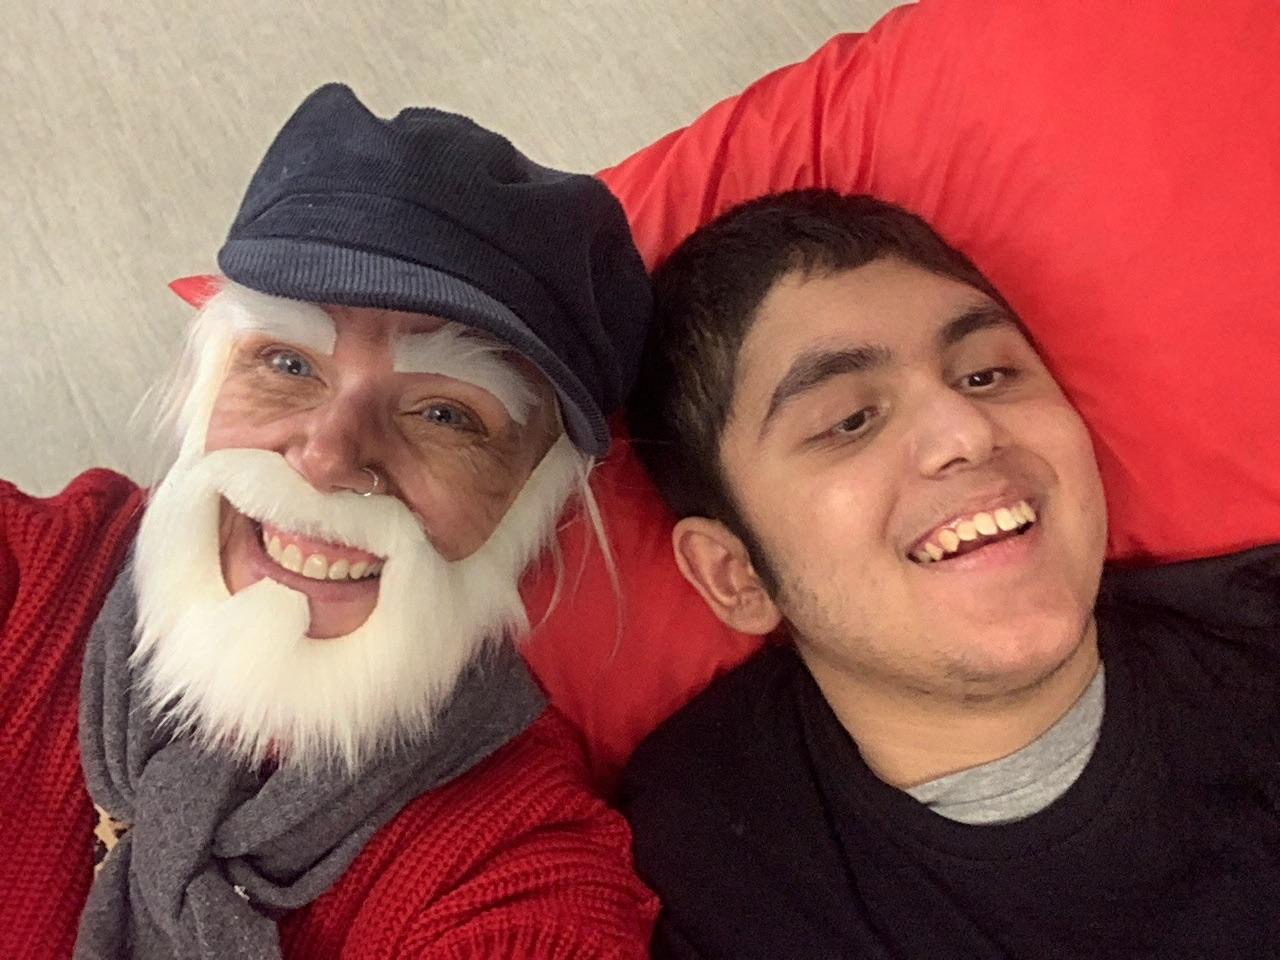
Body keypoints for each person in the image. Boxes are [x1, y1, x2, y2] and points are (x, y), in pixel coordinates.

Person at [1, 83, 658, 960]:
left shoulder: (520, 866)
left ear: (534, 503)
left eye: (446, 415)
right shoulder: (32, 572)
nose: (326, 456)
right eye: (285, 362)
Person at [621, 188, 1280, 958]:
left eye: (987, 375)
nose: (965, 432)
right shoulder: (693, 864)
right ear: (736, 576)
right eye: (850, 421)